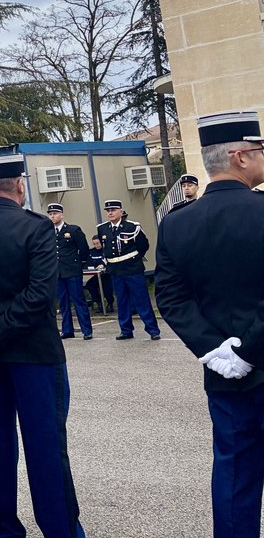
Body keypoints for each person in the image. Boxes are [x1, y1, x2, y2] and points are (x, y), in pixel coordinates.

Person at [0, 155, 85, 538]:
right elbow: (41, 295)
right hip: (34, 354)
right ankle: (61, 530)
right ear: (20, 185)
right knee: (46, 450)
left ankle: (3, 531)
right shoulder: (35, 227)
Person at [156, 111, 264, 538]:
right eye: (259, 151)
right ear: (238, 156)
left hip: (224, 373)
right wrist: (250, 350)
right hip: (248, 358)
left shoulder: (178, 223)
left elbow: (171, 297)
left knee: (234, 473)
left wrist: (218, 351)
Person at [97, 200, 161, 340]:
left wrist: (134, 259)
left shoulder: (132, 226)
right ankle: (126, 330)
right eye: (108, 211)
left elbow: (143, 245)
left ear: (121, 211)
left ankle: (152, 329)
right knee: (122, 300)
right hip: (115, 270)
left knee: (141, 299)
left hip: (132, 268)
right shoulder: (103, 229)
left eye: (113, 210)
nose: (111, 213)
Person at [47, 203, 92, 340]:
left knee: (78, 300)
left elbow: (84, 249)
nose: (52, 216)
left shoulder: (73, 230)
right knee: (63, 302)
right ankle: (67, 330)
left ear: (61, 214)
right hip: (58, 272)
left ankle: (86, 330)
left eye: (55, 213)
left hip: (72, 271)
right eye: (50, 214)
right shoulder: (48, 231)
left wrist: (78, 263)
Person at [82, 236, 113, 312]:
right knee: (90, 285)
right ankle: (99, 302)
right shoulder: (92, 252)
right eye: (94, 244)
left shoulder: (106, 250)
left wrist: (103, 265)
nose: (96, 245)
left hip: (107, 274)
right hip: (97, 274)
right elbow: (88, 263)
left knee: (106, 287)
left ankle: (109, 303)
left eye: (98, 243)